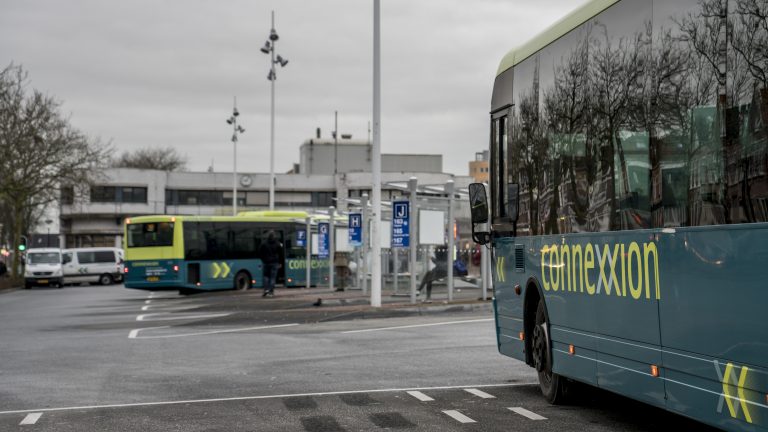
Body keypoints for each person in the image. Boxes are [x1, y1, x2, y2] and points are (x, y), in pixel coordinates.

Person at [259, 231, 282, 297]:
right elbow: (281, 254)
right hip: (274, 263)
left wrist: (263, 259)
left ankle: (266, 290)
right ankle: (271, 292)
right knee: (273, 278)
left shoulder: (264, 244)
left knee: (266, 276)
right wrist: (280, 262)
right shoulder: (277, 244)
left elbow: (260, 252)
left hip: (266, 263)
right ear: (274, 236)